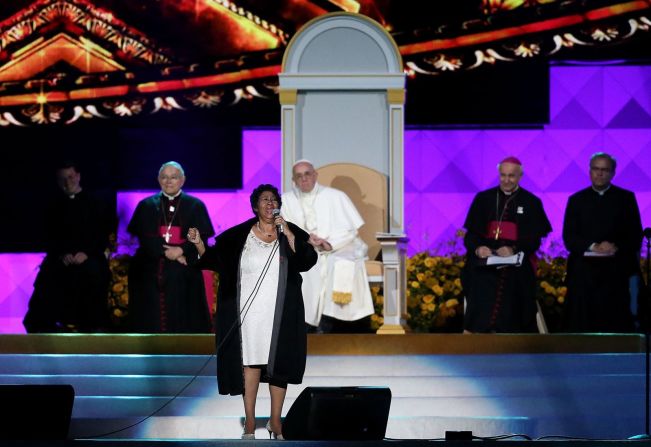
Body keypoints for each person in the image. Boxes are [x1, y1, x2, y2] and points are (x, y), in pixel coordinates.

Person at [187, 184, 317, 439]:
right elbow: (214, 261)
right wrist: (199, 243)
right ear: (255, 206)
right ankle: (249, 422)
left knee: (278, 364)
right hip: (248, 314)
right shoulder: (239, 236)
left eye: (273, 200)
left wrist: (288, 231)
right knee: (251, 363)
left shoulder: (291, 233)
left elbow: (306, 261)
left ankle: (276, 422)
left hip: (280, 313)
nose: (270, 203)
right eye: (264, 200)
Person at [281, 159, 374, 332]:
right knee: (307, 269)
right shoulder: (285, 200)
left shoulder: (336, 196)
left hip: (336, 248)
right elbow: (283, 229)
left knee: (337, 265)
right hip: (302, 249)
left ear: (315, 175)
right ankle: (306, 322)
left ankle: (329, 321)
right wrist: (307, 240)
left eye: (307, 174)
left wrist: (328, 244)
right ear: (293, 180)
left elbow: (350, 231)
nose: (304, 179)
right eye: (298, 176)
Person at [461, 156, 552, 333]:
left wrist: (513, 249)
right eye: (503, 175)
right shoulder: (483, 198)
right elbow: (470, 236)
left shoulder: (531, 202)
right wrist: (478, 249)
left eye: (511, 176)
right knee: (478, 280)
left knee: (516, 285)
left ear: (520, 176)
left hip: (517, 265)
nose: (506, 180)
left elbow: (534, 239)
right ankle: (478, 332)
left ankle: (513, 338)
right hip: (485, 264)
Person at [23, 161, 114, 333]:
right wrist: (62, 254)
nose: (67, 182)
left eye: (71, 177)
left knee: (92, 278)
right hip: (59, 261)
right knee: (38, 314)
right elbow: (47, 237)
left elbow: (104, 234)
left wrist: (87, 253)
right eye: (62, 179)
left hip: (90, 259)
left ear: (78, 176)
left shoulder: (97, 204)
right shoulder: (52, 206)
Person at [127, 161, 214, 333]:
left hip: (184, 261)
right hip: (151, 259)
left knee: (181, 276)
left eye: (173, 177)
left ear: (182, 180)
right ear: (158, 180)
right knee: (142, 274)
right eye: (164, 177)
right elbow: (143, 236)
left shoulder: (195, 205)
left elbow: (201, 236)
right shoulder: (146, 205)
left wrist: (181, 250)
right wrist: (168, 253)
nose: (169, 181)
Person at [562, 152, 642, 332]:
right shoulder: (576, 200)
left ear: (613, 173)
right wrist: (594, 246)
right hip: (584, 272)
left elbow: (635, 235)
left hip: (615, 271)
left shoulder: (626, 198)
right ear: (590, 171)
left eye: (605, 170)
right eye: (596, 169)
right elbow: (569, 237)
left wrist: (615, 246)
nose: (599, 174)